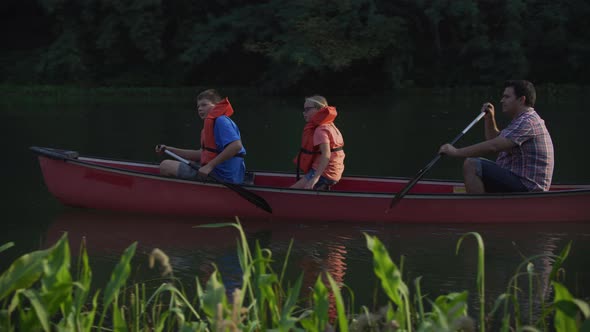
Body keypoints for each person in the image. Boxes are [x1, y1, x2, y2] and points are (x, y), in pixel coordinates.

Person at [439, 80, 554, 193]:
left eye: (507, 97)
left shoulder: (528, 122)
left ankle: (477, 209)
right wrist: (489, 119)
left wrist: (455, 152)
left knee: (472, 164)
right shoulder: (522, 120)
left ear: (521, 100)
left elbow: (493, 146)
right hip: (519, 182)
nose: (502, 100)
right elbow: (496, 140)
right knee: (476, 167)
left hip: (527, 188)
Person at [155, 89, 246, 184]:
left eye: (204, 105)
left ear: (216, 105)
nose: (200, 109)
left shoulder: (221, 121)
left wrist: (209, 166)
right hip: (217, 172)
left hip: (222, 176)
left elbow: (236, 146)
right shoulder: (209, 127)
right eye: (198, 106)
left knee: (165, 165)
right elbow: (200, 154)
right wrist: (169, 149)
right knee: (189, 163)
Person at [291, 95, 345, 190]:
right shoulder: (330, 126)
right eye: (304, 110)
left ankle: (319, 184)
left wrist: (315, 178)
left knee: (291, 192)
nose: (304, 113)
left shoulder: (320, 130)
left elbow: (326, 155)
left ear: (319, 109)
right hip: (335, 172)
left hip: (324, 173)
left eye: (307, 109)